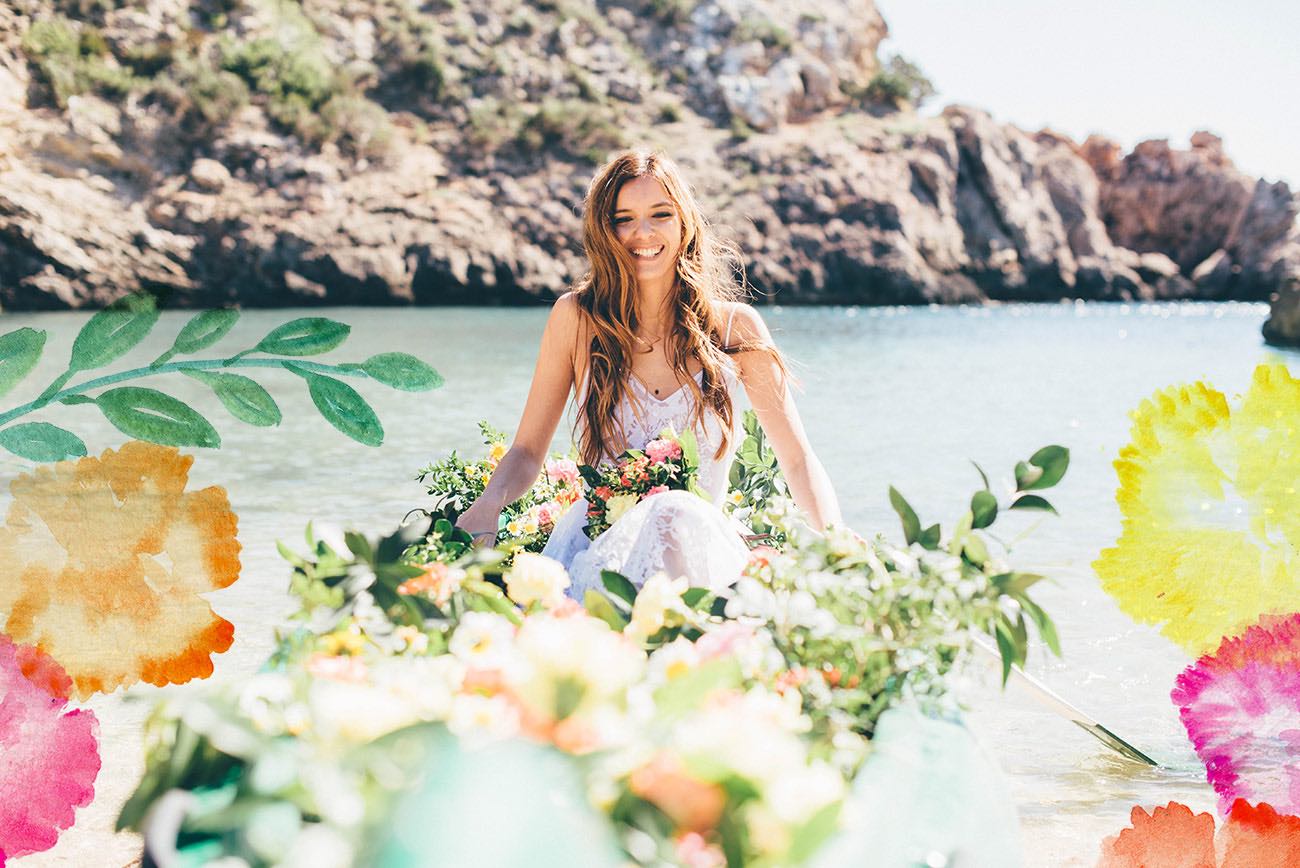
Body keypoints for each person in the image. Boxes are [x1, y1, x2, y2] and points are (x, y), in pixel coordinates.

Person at [454, 150, 840, 599]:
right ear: (605, 229)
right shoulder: (577, 319)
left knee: (676, 511)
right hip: (597, 548)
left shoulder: (736, 329)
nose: (644, 233)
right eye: (624, 219)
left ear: (684, 223)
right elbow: (526, 450)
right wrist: (489, 504)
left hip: (699, 554)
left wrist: (837, 545)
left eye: (661, 214)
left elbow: (797, 460)